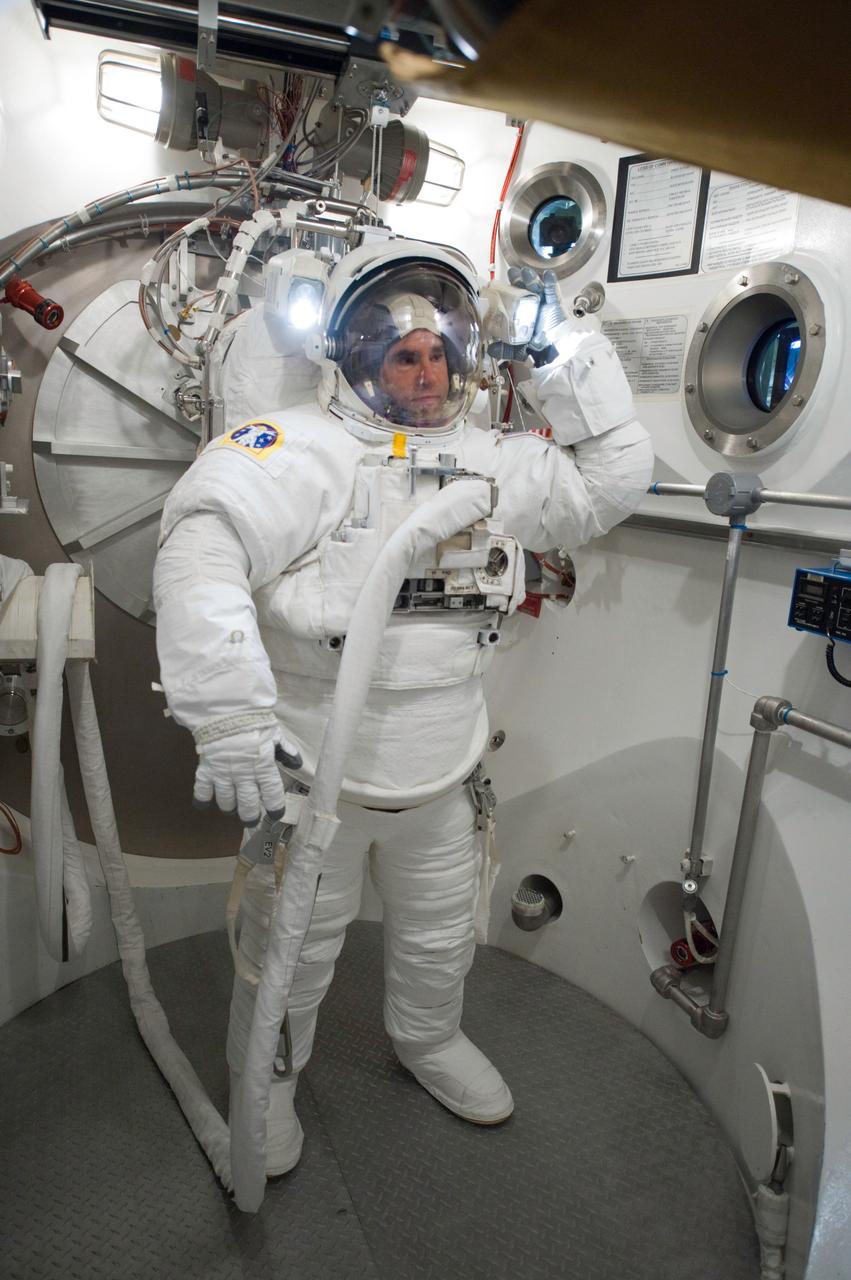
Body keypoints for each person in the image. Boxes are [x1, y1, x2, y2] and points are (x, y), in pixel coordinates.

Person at [153, 237, 654, 1177]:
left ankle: (428, 1039)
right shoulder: (296, 449)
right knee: (290, 950)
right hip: (318, 770)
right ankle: (267, 1083)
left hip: (441, 768)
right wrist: (227, 716)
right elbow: (202, 552)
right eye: (402, 356)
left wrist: (561, 355)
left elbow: (612, 483)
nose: (426, 374)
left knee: (438, 935)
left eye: (439, 354)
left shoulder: (494, 458)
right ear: (355, 359)